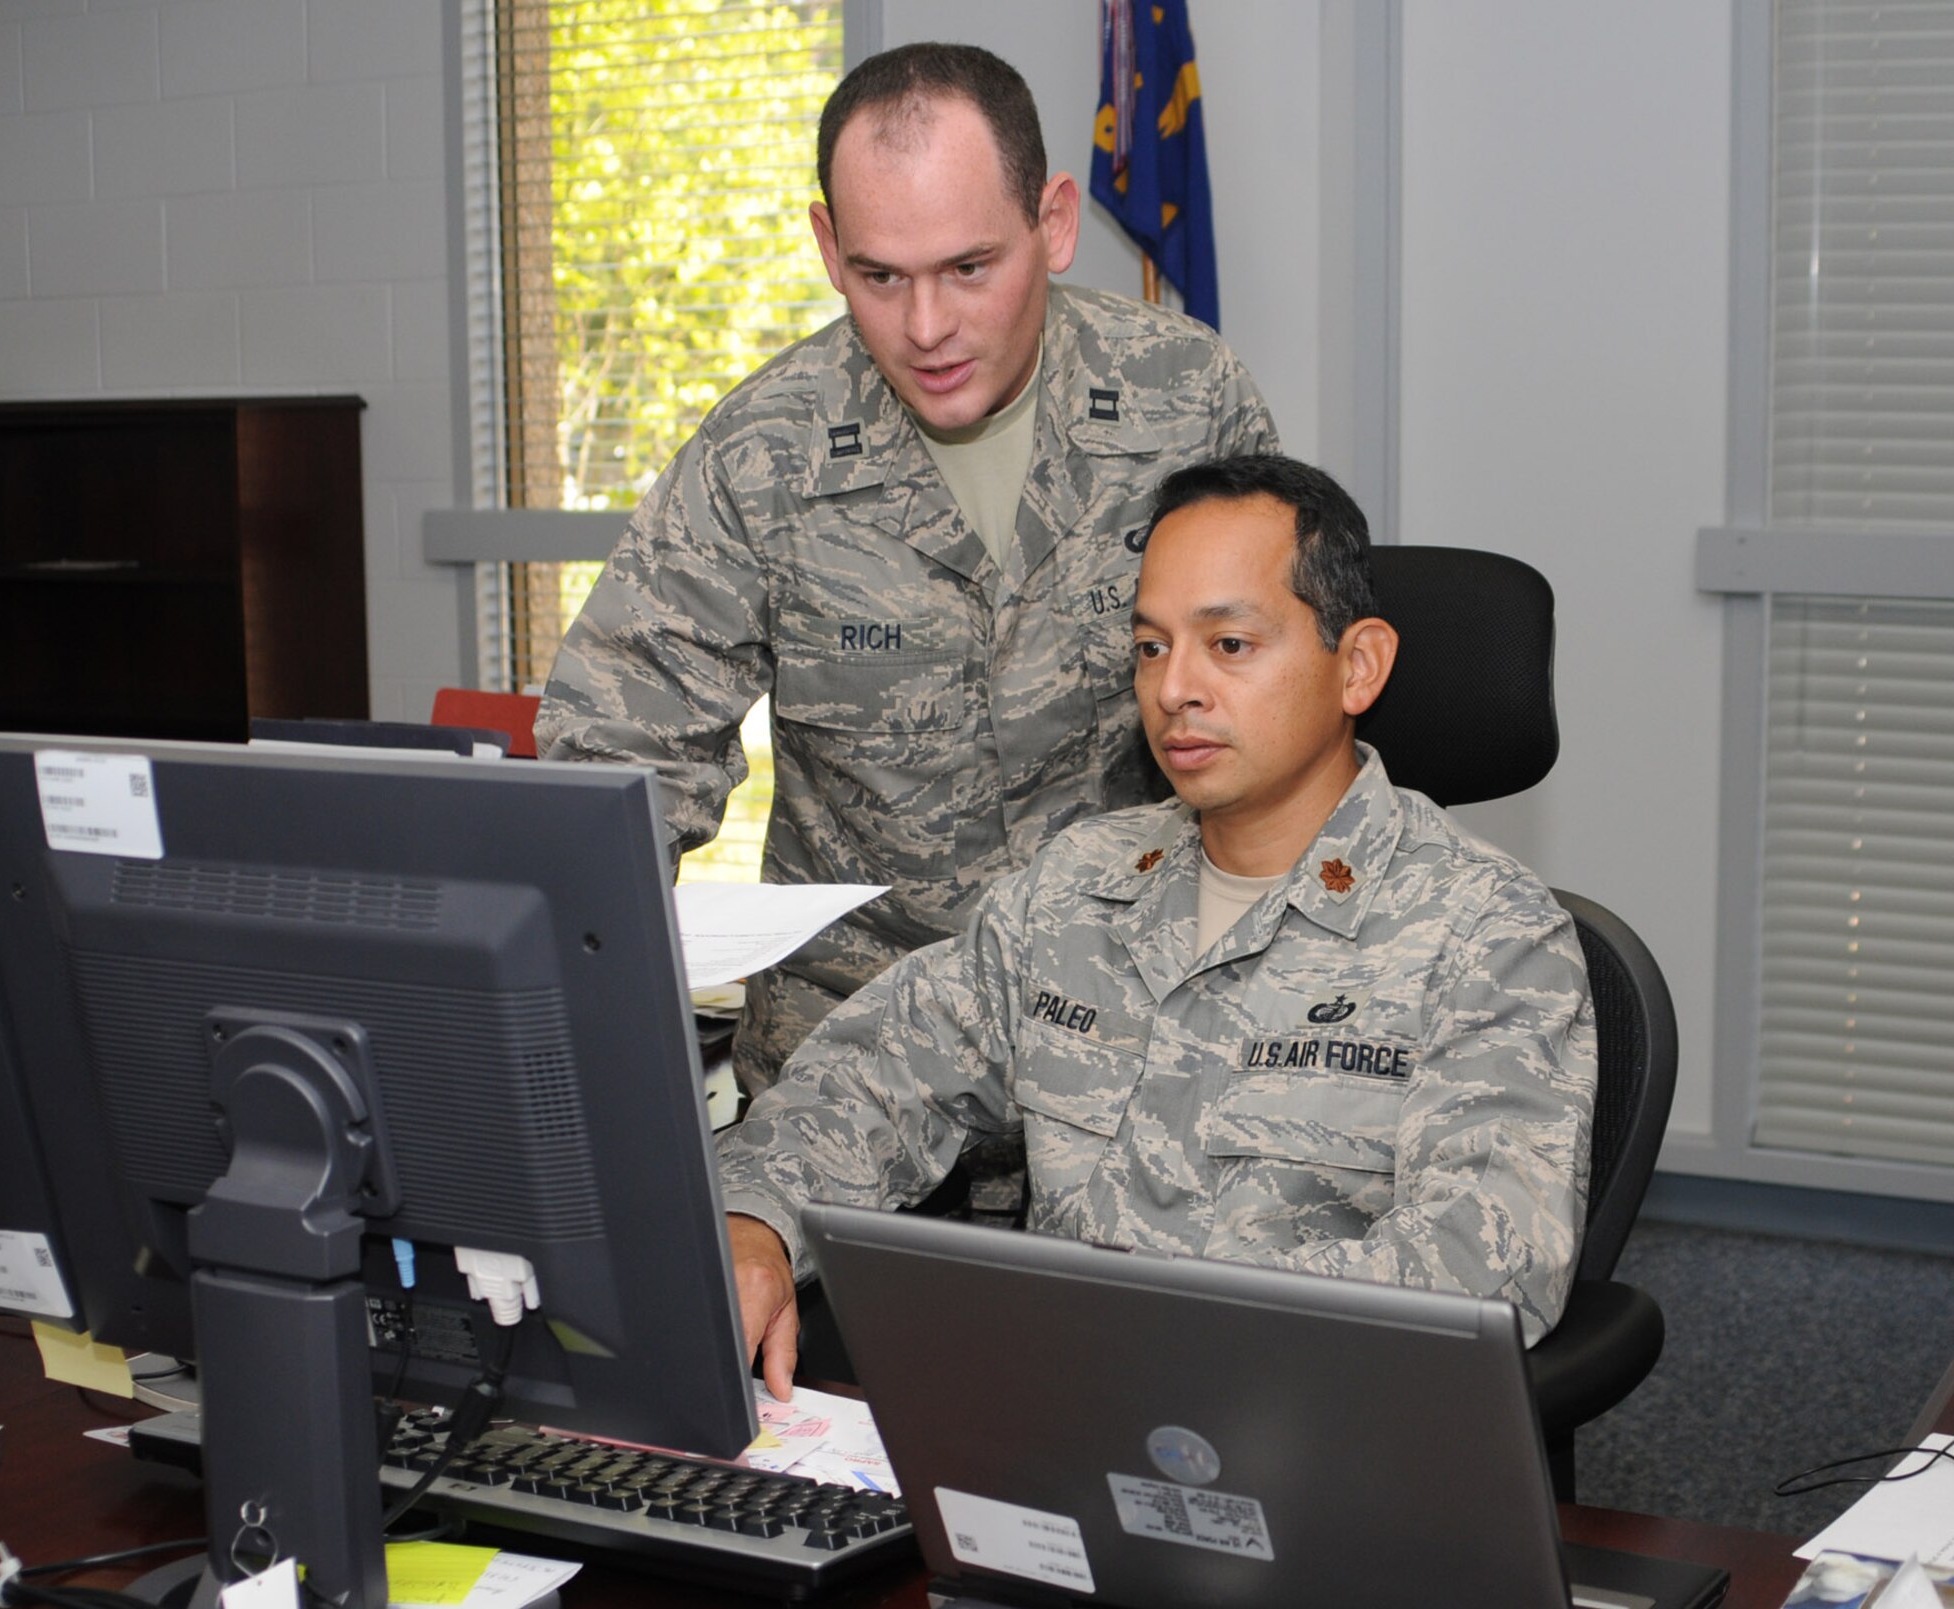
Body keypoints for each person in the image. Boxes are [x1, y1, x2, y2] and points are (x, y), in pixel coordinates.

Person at [716, 453, 1598, 1400]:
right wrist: (754, 1225)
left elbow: (1486, 1257)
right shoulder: (1077, 887)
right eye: (1149, 646)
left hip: (1304, 1435)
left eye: (1229, 645)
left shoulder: (1488, 935)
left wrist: (1166, 1348)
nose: (1174, 687)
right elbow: (877, 1073)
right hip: (1051, 1434)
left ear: (1359, 665)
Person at [536, 42, 1279, 1093]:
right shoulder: (763, 451)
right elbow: (614, 757)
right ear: (828, 248)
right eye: (879, 277)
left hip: (1136, 1044)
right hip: (852, 1058)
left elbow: (1285, 727)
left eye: (969, 269)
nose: (925, 328)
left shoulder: (1187, 403)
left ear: (1054, 223)